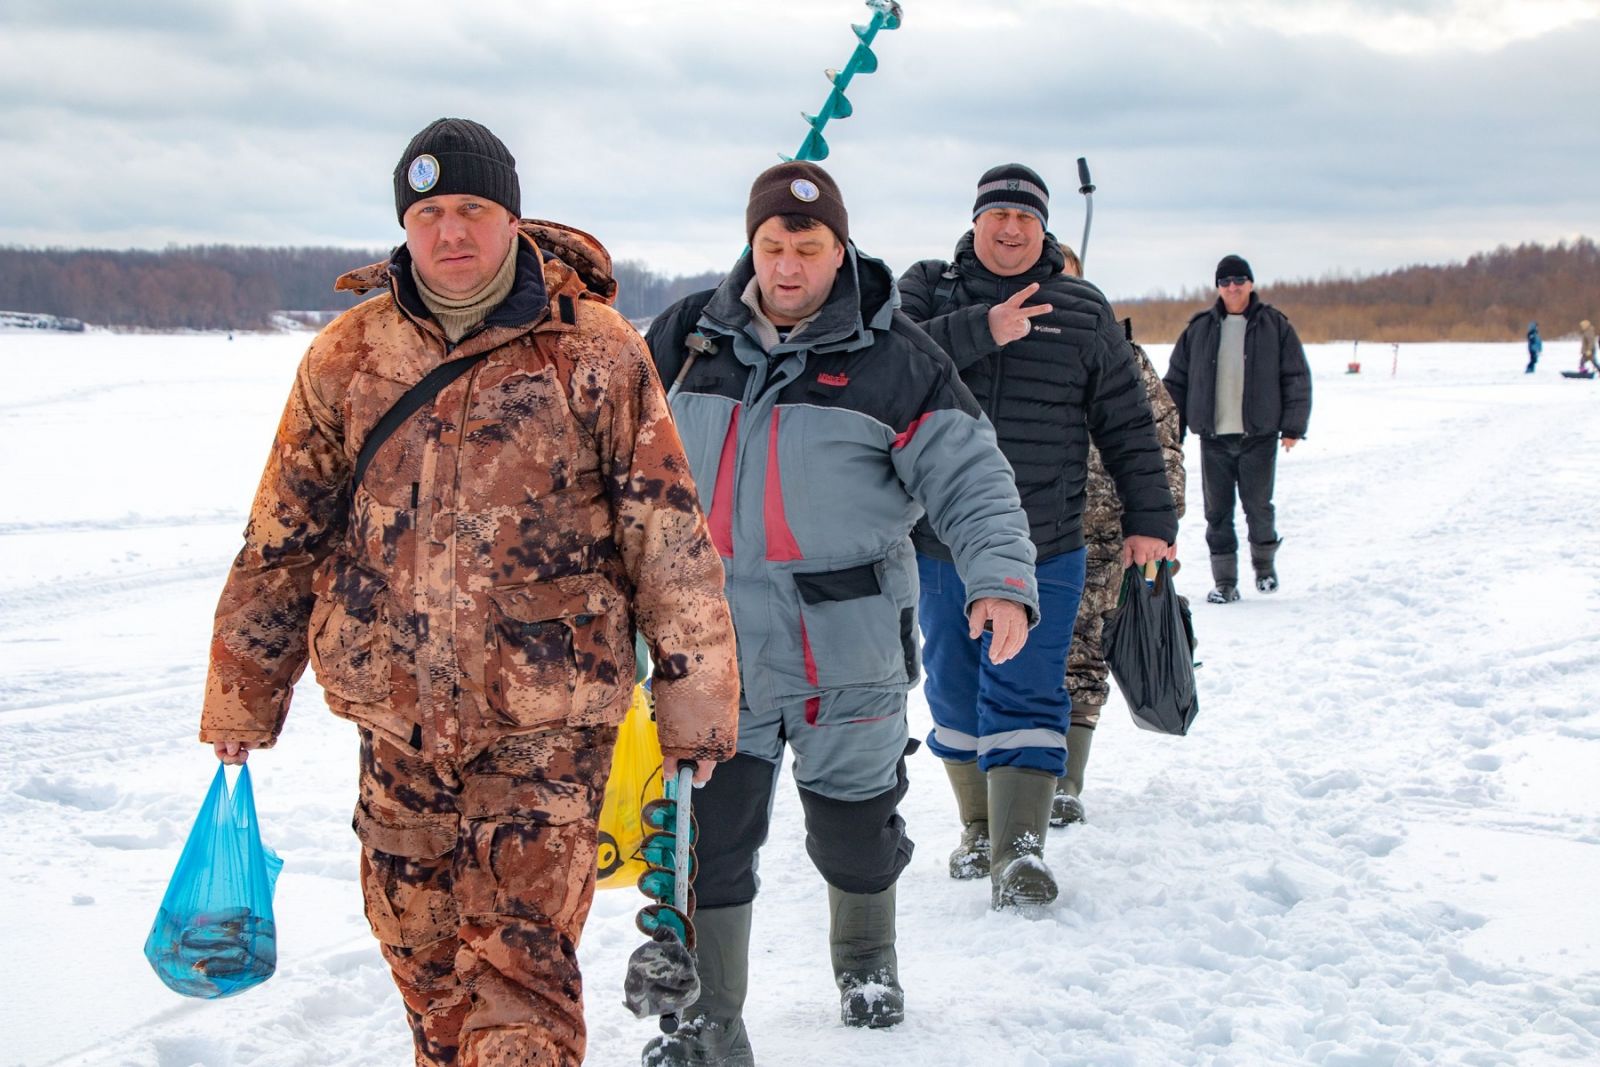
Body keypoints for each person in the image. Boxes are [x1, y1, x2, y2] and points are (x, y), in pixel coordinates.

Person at [197, 117, 740, 1067]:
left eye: (474, 211)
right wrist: (243, 691)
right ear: (406, 225)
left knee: (522, 991)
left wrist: (694, 708)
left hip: (547, 727)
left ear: (512, 220)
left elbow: (669, 537)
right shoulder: (346, 357)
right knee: (430, 980)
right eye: (431, 213)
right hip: (395, 728)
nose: (452, 233)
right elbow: (283, 535)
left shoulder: (598, 353)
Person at [642, 161, 1039, 1062]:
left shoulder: (896, 357)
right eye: (772, 246)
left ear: (840, 249)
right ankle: (710, 1021)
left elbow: (970, 476)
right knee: (713, 836)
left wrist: (1000, 576)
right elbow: (605, 447)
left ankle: (866, 958)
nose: (787, 267)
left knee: (855, 825)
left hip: (847, 642)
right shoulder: (687, 338)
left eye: (807, 248)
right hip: (713, 645)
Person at [898, 165, 1177, 908]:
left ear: (1044, 228)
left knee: (1026, 684)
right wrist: (981, 331)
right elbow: (886, 364)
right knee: (955, 688)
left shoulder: (1081, 309)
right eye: (999, 215)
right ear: (977, 219)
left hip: (1046, 538)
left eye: (1026, 217)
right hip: (939, 540)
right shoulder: (927, 289)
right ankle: (980, 827)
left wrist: (1152, 518)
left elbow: (1127, 421)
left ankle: (1020, 848)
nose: (1012, 229)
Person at [1053, 246, 1187, 825]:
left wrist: (1159, 520)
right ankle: (1012, 775)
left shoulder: (1123, 354)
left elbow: (1161, 438)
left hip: (1105, 528)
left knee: (1082, 655)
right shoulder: (1007, 347)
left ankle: (1064, 782)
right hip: (1026, 525)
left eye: (1069, 281)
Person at [1164, 254, 1311, 604]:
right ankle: (1225, 583)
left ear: (1251, 284)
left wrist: (1292, 426)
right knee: (1217, 513)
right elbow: (1176, 384)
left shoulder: (1274, 325)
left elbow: (1296, 377)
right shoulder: (1199, 328)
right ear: (1218, 286)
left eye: (1239, 280)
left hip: (1258, 436)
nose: (1233, 287)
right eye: (1226, 281)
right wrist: (1173, 433)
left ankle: (1264, 571)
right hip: (1214, 438)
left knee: (1259, 507)